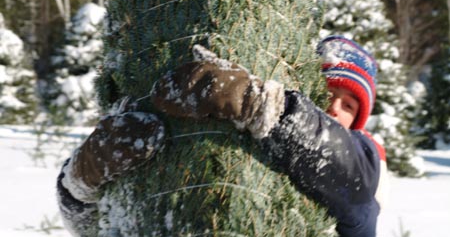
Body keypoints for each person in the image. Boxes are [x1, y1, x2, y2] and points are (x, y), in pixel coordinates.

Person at [56, 35, 387, 237]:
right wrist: (77, 185)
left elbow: (349, 174)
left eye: (349, 104)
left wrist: (261, 104)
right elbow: (97, 230)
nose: (333, 109)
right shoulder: (270, 148)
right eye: (327, 94)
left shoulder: (362, 165)